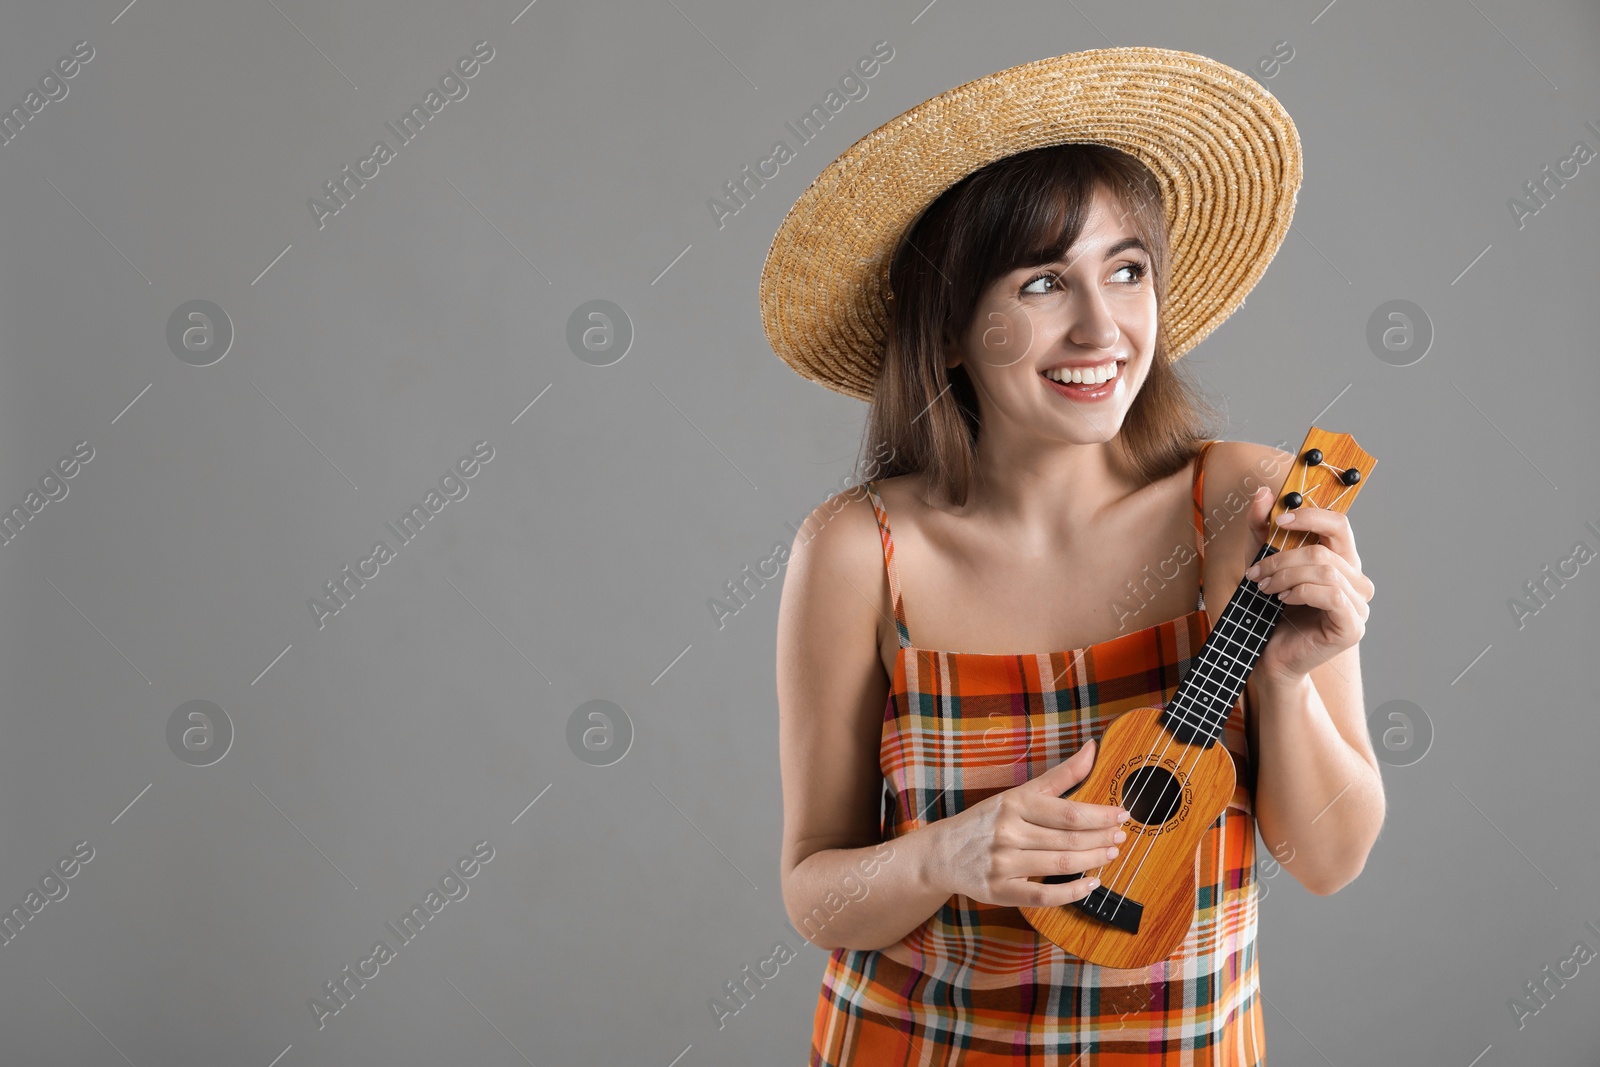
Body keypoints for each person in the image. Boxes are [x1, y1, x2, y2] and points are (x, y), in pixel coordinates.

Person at [762, 48, 1385, 1063]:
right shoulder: (858, 550)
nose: (1103, 327)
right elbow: (814, 894)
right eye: (1044, 281)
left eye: (1126, 268)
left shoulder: (1243, 504)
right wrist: (946, 854)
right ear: (951, 329)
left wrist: (1283, 680)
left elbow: (1328, 858)